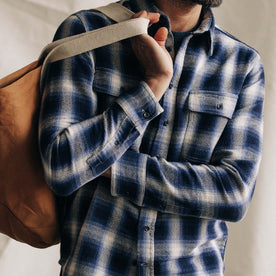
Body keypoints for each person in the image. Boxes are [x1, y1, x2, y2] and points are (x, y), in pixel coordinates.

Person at [39, 0, 265, 275]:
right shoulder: (86, 32)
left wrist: (109, 166)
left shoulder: (242, 64)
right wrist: (153, 85)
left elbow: (233, 192)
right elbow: (62, 166)